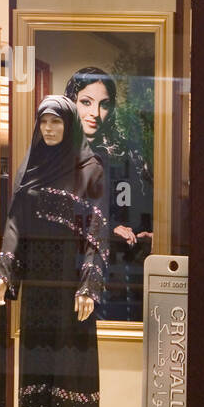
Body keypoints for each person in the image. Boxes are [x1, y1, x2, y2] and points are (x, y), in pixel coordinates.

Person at [0, 96, 108, 407]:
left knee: (69, 371)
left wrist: (89, 285)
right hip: (39, 286)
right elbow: (14, 223)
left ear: (70, 125)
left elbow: (97, 229)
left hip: (69, 282)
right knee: (40, 368)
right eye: (44, 122)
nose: (49, 129)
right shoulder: (31, 167)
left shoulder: (89, 169)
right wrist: (4, 273)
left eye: (56, 122)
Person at [63, 67, 154, 321]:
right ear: (70, 103)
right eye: (85, 102)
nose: (94, 113)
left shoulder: (126, 151)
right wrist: (109, 227)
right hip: (75, 267)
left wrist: (150, 228)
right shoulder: (58, 154)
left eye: (104, 105)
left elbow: (145, 199)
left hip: (127, 267)